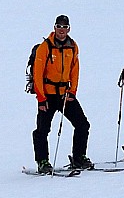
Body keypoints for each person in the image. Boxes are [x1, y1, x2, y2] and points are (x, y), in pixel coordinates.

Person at [31, 15, 93, 173]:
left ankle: (79, 157)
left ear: (69, 29)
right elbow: (37, 74)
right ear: (54, 27)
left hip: (65, 94)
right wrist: (41, 98)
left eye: (65, 27)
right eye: (59, 26)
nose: (62, 30)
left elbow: (75, 70)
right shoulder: (45, 47)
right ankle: (43, 161)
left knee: (82, 125)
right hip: (48, 95)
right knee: (42, 130)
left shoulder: (73, 46)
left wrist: (72, 91)